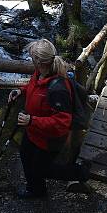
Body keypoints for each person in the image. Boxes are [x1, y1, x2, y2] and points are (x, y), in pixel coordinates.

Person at [8, 39, 89, 199]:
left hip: (48, 139)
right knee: (25, 156)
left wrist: (32, 120)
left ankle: (81, 172)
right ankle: (36, 190)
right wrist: (21, 91)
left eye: (32, 56)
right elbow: (34, 87)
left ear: (38, 61)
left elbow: (62, 123)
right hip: (33, 132)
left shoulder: (58, 88)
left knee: (43, 169)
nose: (30, 58)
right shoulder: (40, 73)